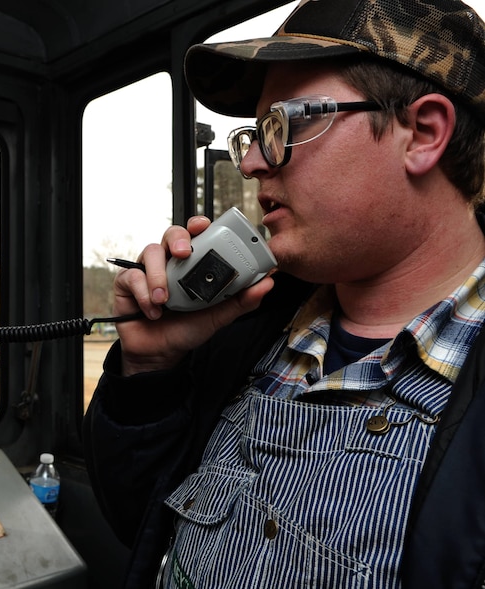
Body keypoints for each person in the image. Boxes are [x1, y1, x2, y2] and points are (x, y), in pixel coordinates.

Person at [82, 0, 485, 587]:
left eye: (284, 126)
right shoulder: (249, 324)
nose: (249, 162)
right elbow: (145, 526)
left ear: (421, 134)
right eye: (254, 133)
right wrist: (151, 374)